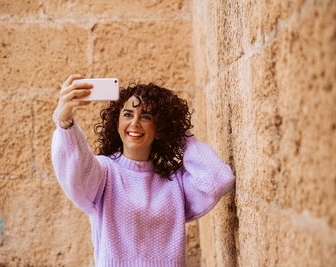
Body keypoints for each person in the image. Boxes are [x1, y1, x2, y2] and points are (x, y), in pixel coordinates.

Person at [51, 74, 235, 267]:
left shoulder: (175, 182)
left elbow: (218, 180)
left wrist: (180, 134)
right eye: (128, 114)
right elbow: (75, 171)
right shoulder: (105, 173)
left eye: (146, 116)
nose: (135, 122)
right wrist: (65, 122)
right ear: (117, 122)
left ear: (159, 127)